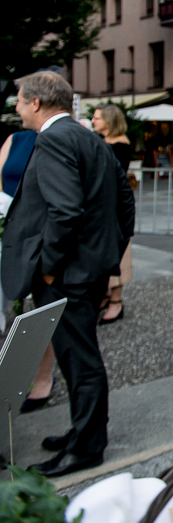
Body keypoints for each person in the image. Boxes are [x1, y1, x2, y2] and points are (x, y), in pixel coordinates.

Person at [2, 71, 134, 478]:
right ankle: (83, 432)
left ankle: (86, 447)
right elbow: (123, 200)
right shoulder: (86, 137)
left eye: (20, 101)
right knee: (80, 357)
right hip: (86, 268)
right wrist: (108, 253)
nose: (17, 107)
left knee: (80, 360)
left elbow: (65, 210)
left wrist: (47, 268)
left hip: (68, 273)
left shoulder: (56, 138)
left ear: (37, 103)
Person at [0, 127, 56, 413]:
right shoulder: (15, 139)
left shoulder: (60, 135)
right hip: (7, 226)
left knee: (38, 311)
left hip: (37, 235)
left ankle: (43, 377)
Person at [91, 105, 133, 324]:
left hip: (115, 207)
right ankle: (106, 296)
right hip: (105, 205)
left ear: (108, 121)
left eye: (97, 117)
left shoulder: (119, 146)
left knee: (119, 252)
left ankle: (115, 301)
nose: (93, 120)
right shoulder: (104, 142)